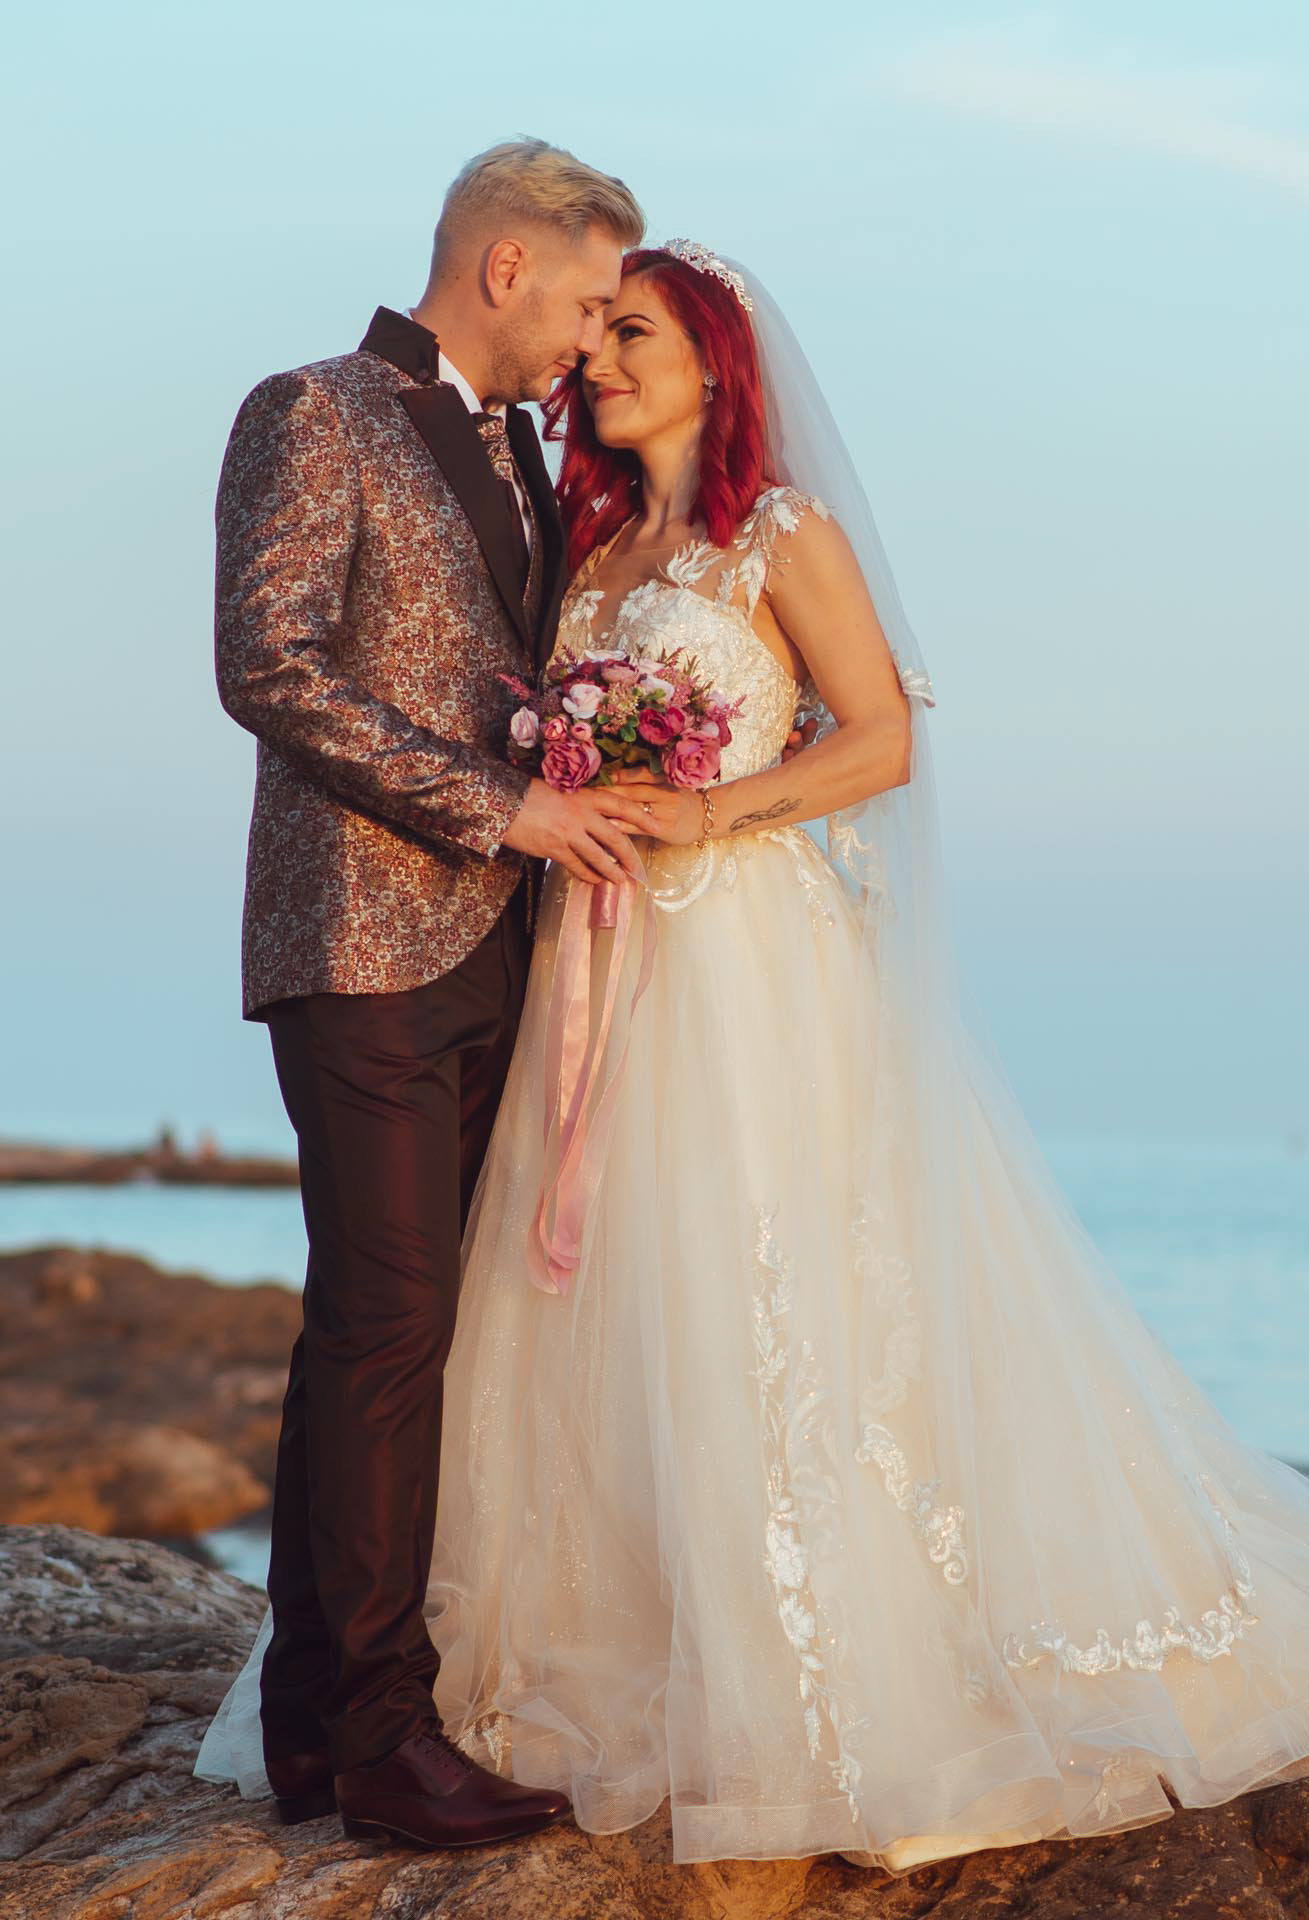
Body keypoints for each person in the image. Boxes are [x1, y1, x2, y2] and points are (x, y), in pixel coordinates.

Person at [201, 240, 1309, 1873]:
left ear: (713, 364)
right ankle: (540, 1650)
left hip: (747, 964)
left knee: (756, 1281)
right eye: (597, 329)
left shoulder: (783, 535)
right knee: (585, 1303)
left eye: (632, 335)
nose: (598, 360)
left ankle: (813, 1662)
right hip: (588, 967)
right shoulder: (594, 547)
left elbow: (886, 732)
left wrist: (711, 808)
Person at [203, 140, 658, 1850]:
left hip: (497, 954)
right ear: (505, 267)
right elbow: (268, 664)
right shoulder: (313, 410)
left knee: (376, 1333)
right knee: (392, 1332)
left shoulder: (539, 461)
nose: (591, 341)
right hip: (361, 941)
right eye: (590, 300)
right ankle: (393, 1745)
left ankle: (320, 1716)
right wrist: (509, 807)